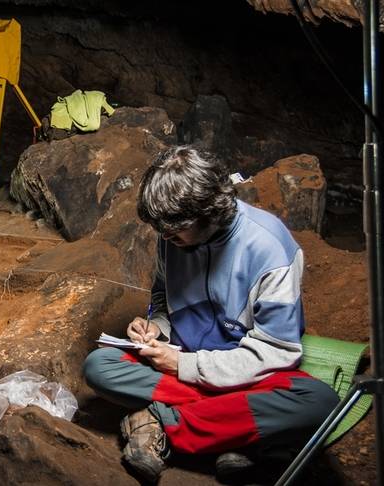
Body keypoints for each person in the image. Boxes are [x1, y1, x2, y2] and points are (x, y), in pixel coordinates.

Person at [83, 146, 339, 483]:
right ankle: (236, 431)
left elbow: (276, 350)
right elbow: (163, 297)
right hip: (188, 359)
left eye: (176, 230)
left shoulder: (271, 248)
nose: (165, 238)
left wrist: (183, 367)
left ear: (210, 213)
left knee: (320, 402)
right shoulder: (171, 236)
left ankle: (159, 420)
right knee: (99, 366)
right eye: (162, 230)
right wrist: (156, 327)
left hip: (250, 372)